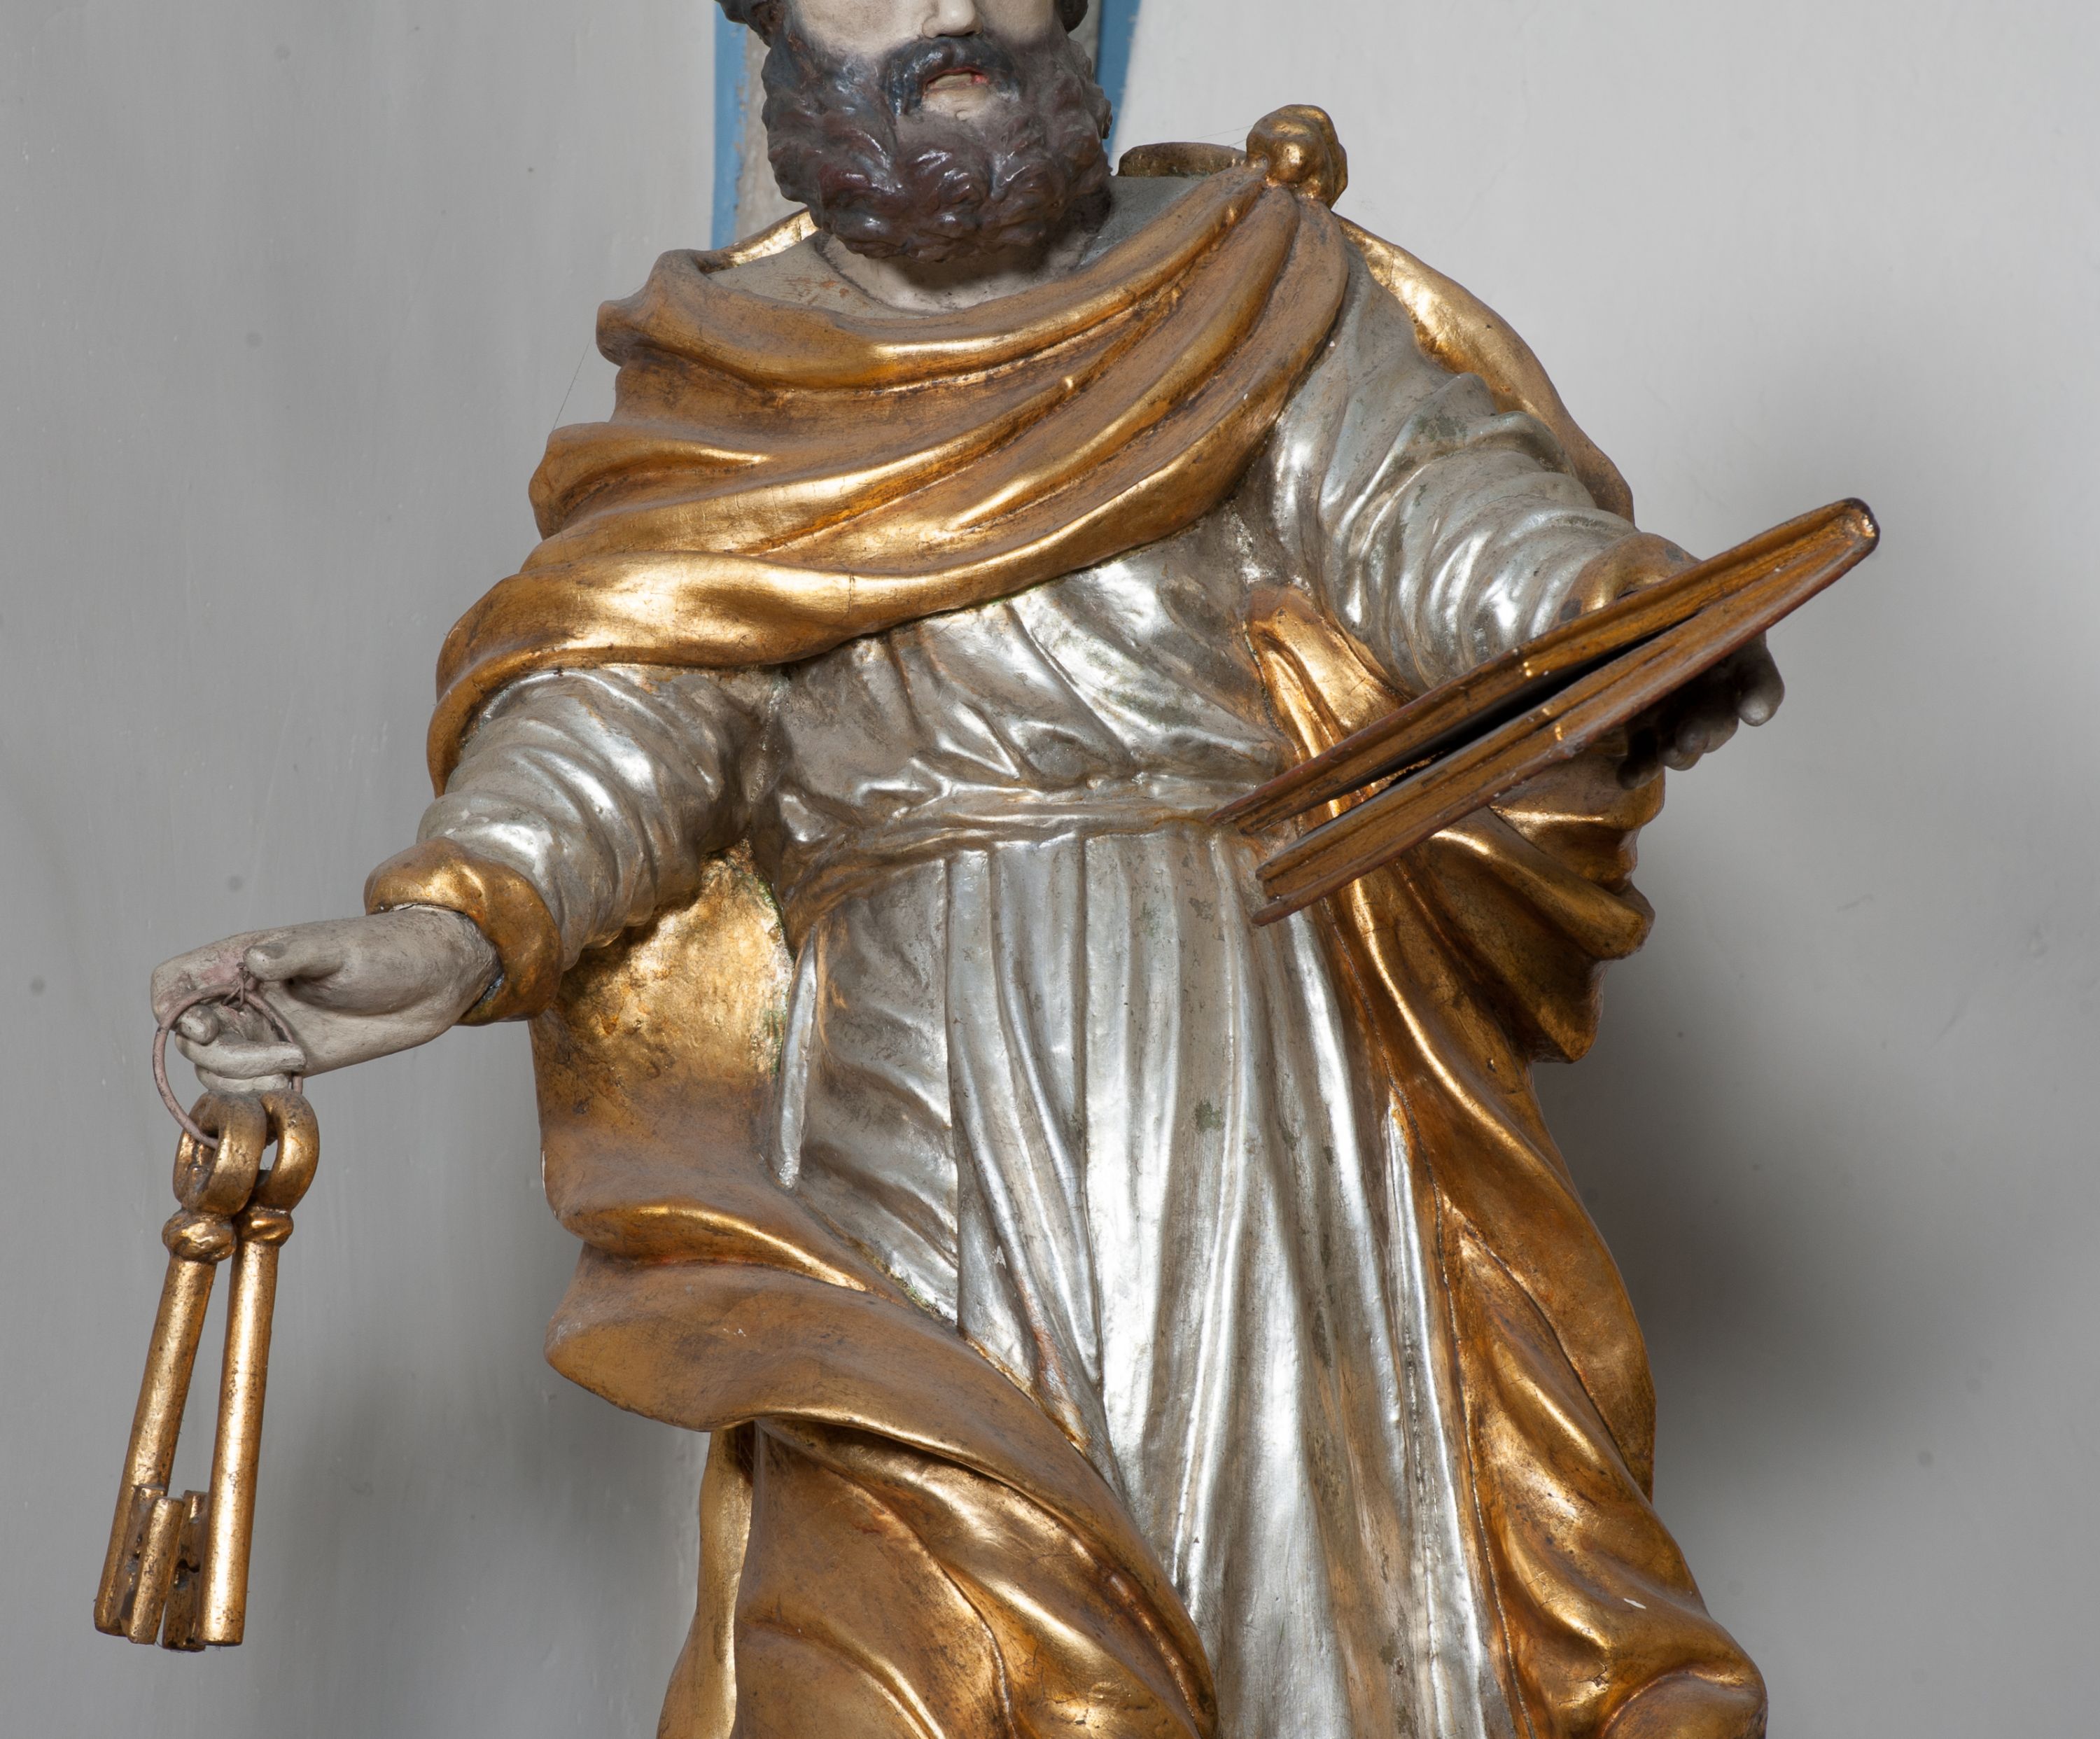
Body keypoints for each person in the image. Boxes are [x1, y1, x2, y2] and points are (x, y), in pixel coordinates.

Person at [153, 4, 1782, 1735]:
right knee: (907, 1609)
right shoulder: (731, 382)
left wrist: (1611, 624)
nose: (945, 13)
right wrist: (453, 928)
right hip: (901, 1097)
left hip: (1248, 1056)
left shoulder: (1245, 282)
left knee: (1281, 1586)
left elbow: (1433, 512)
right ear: (779, 33)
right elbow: (627, 718)